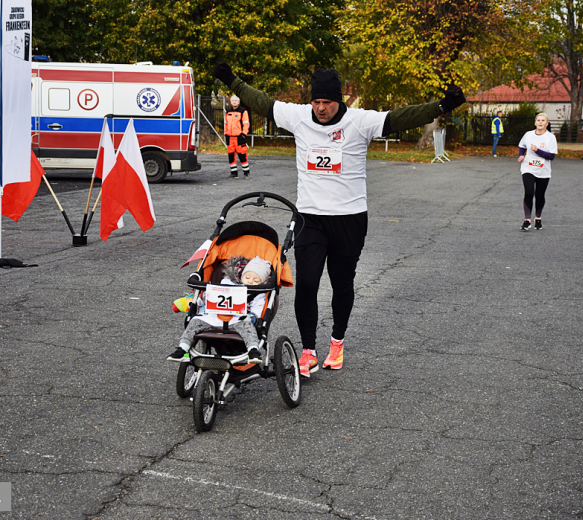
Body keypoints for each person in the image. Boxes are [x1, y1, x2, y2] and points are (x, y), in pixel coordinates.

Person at [213, 62, 466, 377]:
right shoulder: (299, 116)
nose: (320, 108)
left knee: (341, 283)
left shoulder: (360, 121)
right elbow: (262, 102)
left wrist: (442, 106)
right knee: (306, 283)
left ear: (339, 100)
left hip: (349, 218)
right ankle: (307, 351)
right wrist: (232, 79)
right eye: (316, 102)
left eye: (326, 103)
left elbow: (401, 117)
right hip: (310, 217)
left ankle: (337, 340)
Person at [167, 255, 272, 364]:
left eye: (256, 280)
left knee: (249, 327)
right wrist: (201, 300)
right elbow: (212, 295)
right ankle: (183, 349)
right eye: (247, 277)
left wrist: (254, 316)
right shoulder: (227, 283)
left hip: (238, 319)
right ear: (241, 275)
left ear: (262, 282)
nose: (250, 282)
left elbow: (258, 306)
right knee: (194, 322)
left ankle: (253, 351)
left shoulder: (259, 293)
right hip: (215, 316)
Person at [518, 113, 557, 231]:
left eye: (543, 120)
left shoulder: (550, 137)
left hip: (543, 171)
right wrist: (521, 155)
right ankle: (527, 220)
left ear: (547, 123)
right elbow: (522, 146)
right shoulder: (528, 135)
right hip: (528, 168)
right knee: (529, 192)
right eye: (538, 120)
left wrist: (538, 150)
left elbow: (551, 156)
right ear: (535, 123)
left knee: (539, 195)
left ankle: (538, 218)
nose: (540, 122)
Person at [225, 95, 251, 178]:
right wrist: (226, 134)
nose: (234, 102)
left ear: (238, 102)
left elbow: (246, 124)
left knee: (242, 155)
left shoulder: (243, 111)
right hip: (230, 137)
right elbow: (225, 124)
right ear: (231, 102)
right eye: (233, 100)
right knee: (231, 156)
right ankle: (234, 173)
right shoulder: (228, 112)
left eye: (236, 100)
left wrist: (243, 134)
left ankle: (246, 172)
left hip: (239, 137)